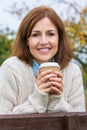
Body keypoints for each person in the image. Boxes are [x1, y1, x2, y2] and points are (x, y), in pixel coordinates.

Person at [0, 6, 86, 114]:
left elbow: (79, 122)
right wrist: (38, 97)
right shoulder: (11, 69)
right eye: (36, 35)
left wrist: (56, 99)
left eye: (50, 34)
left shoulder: (72, 71)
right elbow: (3, 121)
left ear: (59, 38)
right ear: (26, 40)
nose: (44, 41)